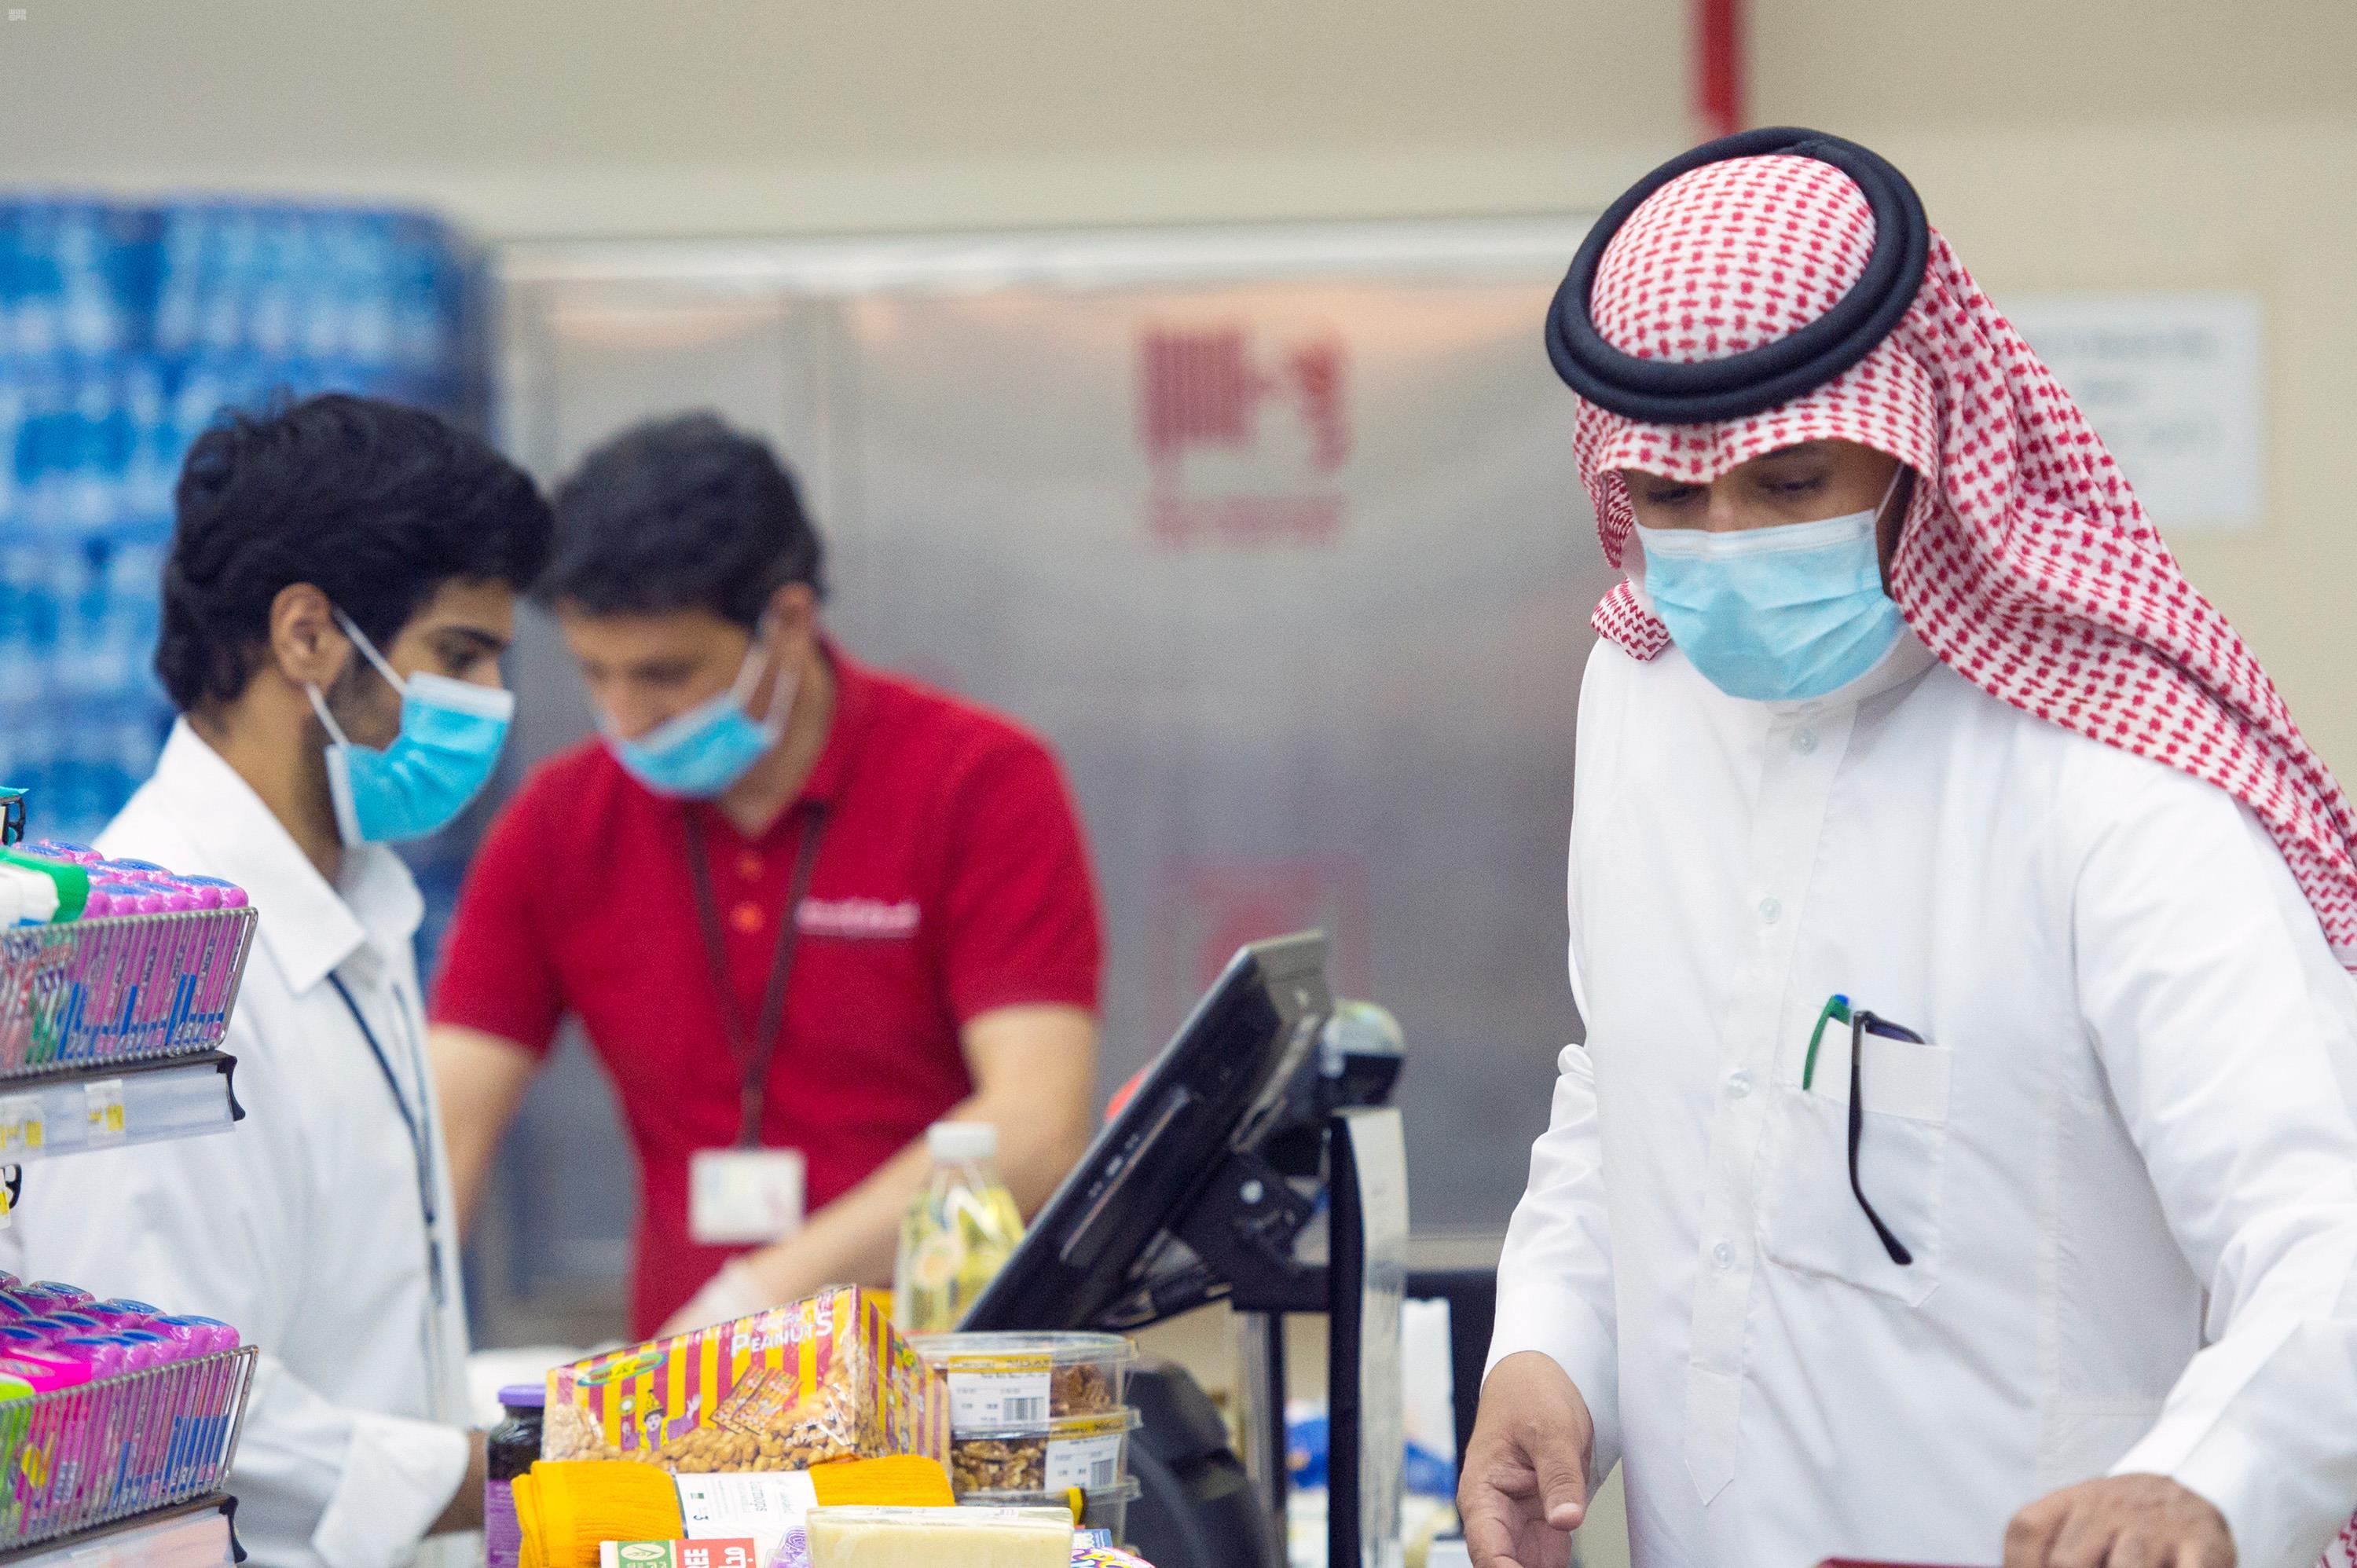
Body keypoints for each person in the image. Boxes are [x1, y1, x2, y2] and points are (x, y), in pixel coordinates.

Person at [1461, 130, 2357, 1568]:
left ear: (1919, 450)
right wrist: (1548, 1353)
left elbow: (2327, 1227)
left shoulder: (2108, 777)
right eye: (1672, 501)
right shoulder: (1639, 697)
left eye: (1791, 485)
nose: (1725, 544)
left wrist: (2205, 1480)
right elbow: (1632, 1089)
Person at [0, 394, 553, 1568]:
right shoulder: (144, 980)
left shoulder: (357, 910)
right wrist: (528, 1463)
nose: (492, 705)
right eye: (460, 655)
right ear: (307, 635)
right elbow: (169, 1411)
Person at [429, 413, 1102, 1339]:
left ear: (786, 622)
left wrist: (756, 1301)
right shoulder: (561, 822)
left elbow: (1034, 1126)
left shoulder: (977, 782)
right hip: (689, 1392)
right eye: (595, 673)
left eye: (665, 674)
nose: (626, 716)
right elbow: (445, 1128)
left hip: (939, 1366)